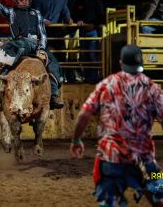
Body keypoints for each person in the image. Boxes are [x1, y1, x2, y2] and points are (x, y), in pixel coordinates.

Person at [70, 44, 163, 206]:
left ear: (121, 63)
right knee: (158, 182)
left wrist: (76, 140)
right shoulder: (153, 88)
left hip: (111, 159)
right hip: (144, 158)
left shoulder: (108, 84)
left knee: (108, 201)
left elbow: (84, 114)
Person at [0, 0, 64, 109]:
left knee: (54, 63)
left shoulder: (36, 14)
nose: (23, 1)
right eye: (20, 0)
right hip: (19, 42)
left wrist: (41, 48)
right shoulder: (11, 12)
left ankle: (54, 95)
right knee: (20, 47)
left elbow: (43, 34)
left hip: (36, 45)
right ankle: (3, 76)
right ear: (15, 1)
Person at [33, 0, 73, 67]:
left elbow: (64, 9)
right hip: (43, 30)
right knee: (42, 53)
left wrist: (68, 18)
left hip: (57, 29)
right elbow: (35, 13)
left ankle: (61, 76)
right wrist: (43, 20)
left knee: (61, 53)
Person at [75, 0, 103, 83]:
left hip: (93, 32)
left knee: (92, 54)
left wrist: (94, 24)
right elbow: (74, 15)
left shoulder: (96, 1)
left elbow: (101, 16)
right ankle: (87, 77)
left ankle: (94, 77)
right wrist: (78, 20)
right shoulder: (79, 2)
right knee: (84, 55)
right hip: (82, 32)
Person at [65, 0, 83, 83]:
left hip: (77, 28)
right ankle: (67, 76)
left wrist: (80, 20)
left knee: (75, 53)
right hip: (66, 28)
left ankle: (76, 76)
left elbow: (83, 12)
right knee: (66, 54)